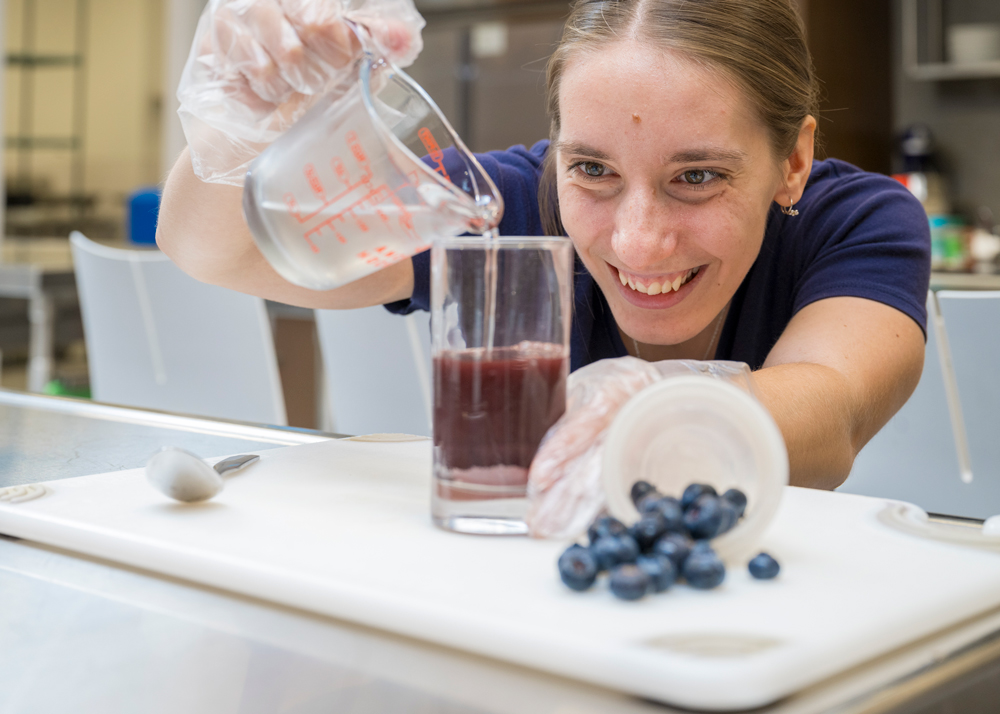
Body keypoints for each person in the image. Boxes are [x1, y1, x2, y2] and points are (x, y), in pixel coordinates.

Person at [157, 0, 931, 491]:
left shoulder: (856, 220)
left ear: (792, 162)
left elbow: (829, 419)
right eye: (591, 169)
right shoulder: (506, 206)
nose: (638, 240)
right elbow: (215, 251)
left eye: (696, 176)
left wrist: (644, 406)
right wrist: (239, 121)